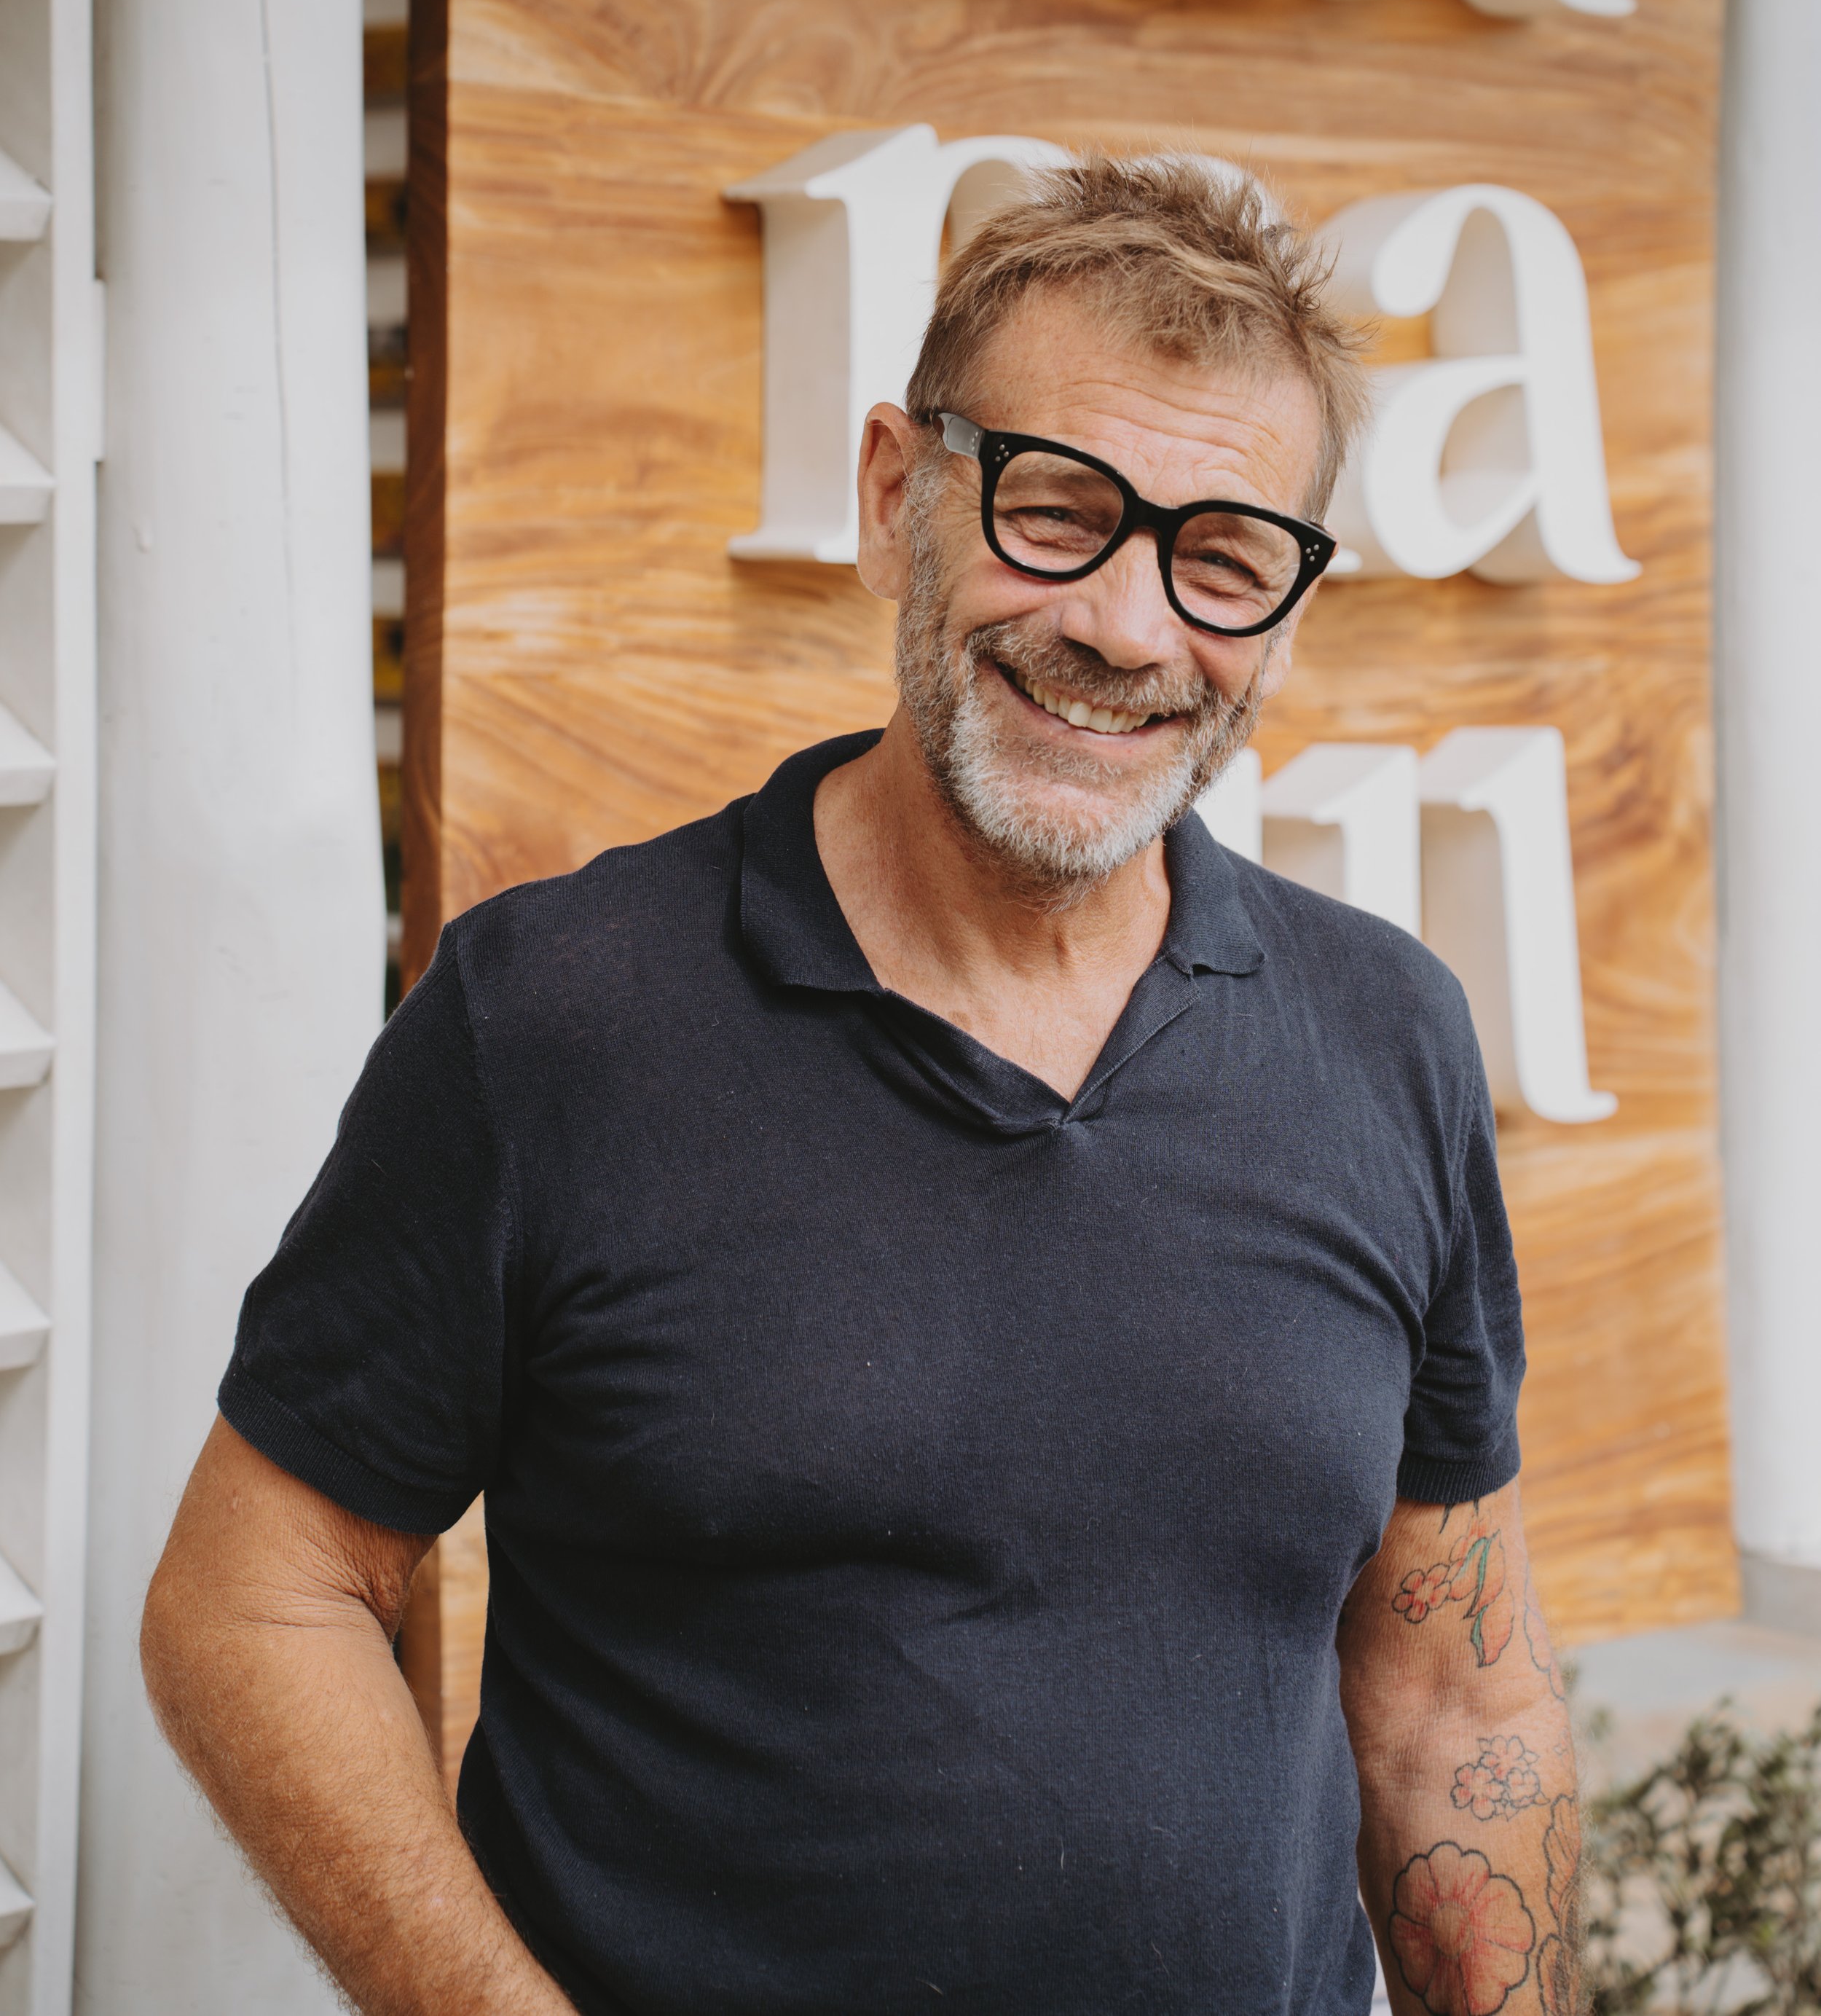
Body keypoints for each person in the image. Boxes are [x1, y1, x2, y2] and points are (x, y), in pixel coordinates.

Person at [142, 156, 1579, 2016]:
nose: (1126, 627)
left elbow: (1453, 1704)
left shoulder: (1384, 1036)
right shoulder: (557, 1017)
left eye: (1222, 558)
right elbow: (256, 1600)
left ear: (1289, 608)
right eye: (1055, 510)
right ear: (898, 493)